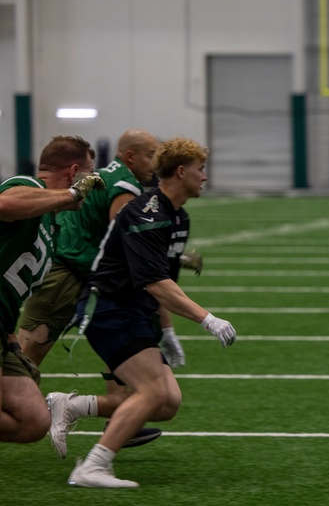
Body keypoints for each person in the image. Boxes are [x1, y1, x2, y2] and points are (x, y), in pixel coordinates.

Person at [56, 137, 237, 488]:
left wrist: (166, 333)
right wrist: (206, 318)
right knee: (152, 391)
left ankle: (72, 407)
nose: (204, 177)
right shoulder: (147, 212)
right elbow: (155, 282)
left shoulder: (178, 217)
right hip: (108, 309)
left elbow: (164, 280)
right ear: (181, 171)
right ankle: (92, 467)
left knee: (168, 402)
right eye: (200, 169)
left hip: (134, 312)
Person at [25, 129, 199, 456]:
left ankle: (116, 421)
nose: (155, 162)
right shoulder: (126, 184)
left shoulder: (115, 177)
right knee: (25, 357)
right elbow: (129, 239)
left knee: (127, 365)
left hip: (89, 272)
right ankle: (36, 416)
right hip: (74, 272)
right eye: (150, 155)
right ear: (130, 156)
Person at [0, 136, 104, 444]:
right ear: (74, 172)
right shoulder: (27, 185)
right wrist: (72, 194)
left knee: (32, 422)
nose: (93, 182)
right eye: (90, 173)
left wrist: (13, 344)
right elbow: (4, 204)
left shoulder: (50, 223)